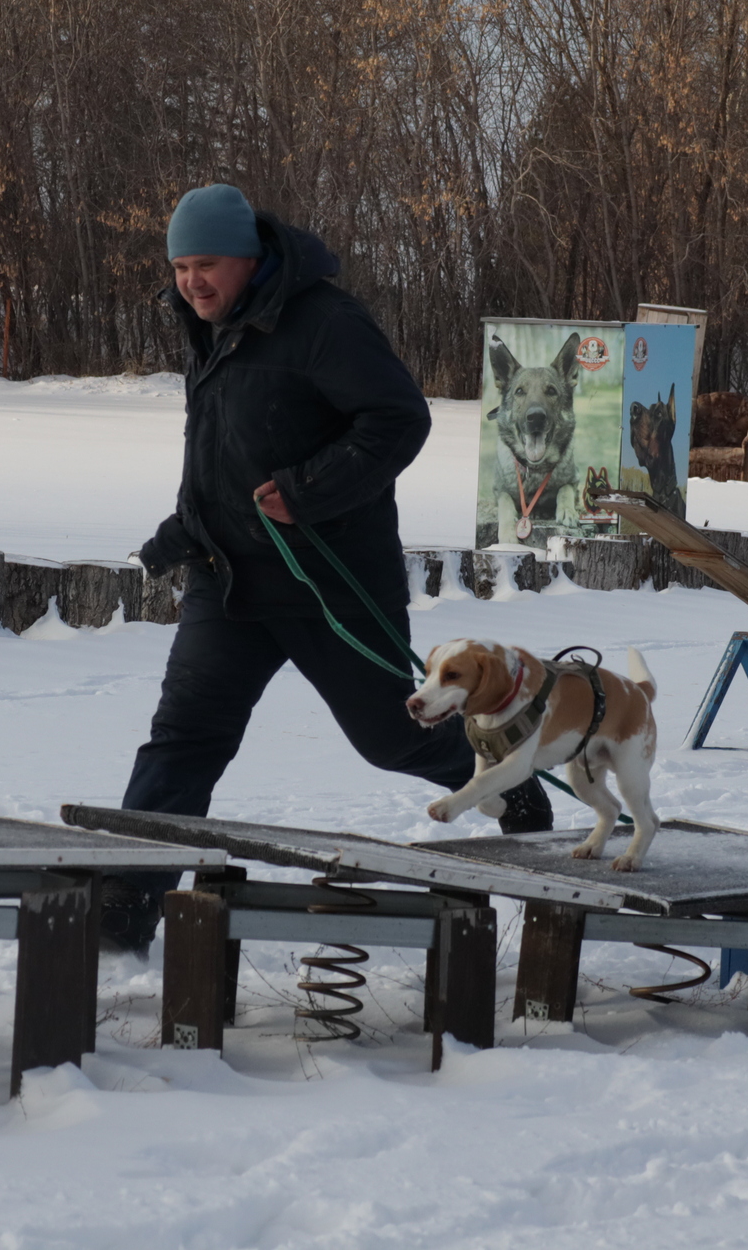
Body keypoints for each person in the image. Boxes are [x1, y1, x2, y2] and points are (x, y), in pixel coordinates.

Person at [103, 184, 553, 953]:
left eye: (204, 264)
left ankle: (507, 782)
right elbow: (227, 451)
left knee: (392, 737)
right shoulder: (210, 326)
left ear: (248, 258)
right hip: (229, 581)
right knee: (183, 738)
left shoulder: (323, 321)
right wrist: (182, 531)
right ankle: (120, 916)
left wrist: (309, 490)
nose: (190, 282)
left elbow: (399, 418)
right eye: (179, 267)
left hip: (331, 582)